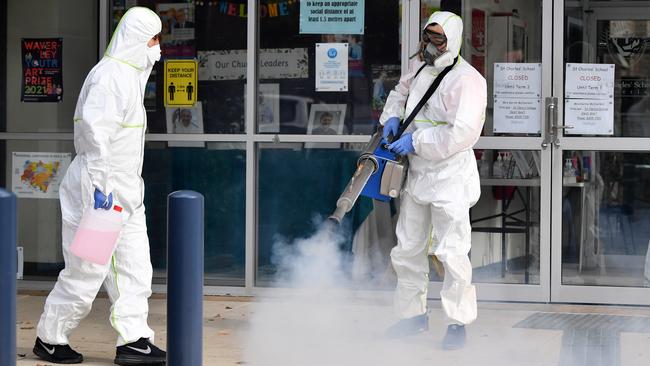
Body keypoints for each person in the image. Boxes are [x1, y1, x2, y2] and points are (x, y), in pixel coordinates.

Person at [33, 7, 166, 365]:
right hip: (100, 195)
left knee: (136, 269)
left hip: (126, 195)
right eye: (154, 38)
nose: (158, 46)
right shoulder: (111, 78)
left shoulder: (131, 76)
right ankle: (50, 337)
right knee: (87, 271)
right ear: (137, 39)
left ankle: (134, 340)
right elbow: (94, 137)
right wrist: (99, 192)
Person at [380, 11, 487, 350]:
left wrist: (417, 141)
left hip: (450, 177)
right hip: (418, 175)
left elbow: (463, 134)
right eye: (428, 37)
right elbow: (400, 90)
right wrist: (392, 117)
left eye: (438, 39)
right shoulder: (421, 67)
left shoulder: (468, 80)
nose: (430, 45)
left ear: (452, 40)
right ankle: (413, 316)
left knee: (451, 252)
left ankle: (458, 323)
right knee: (408, 248)